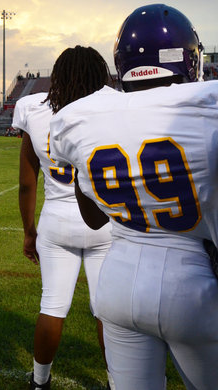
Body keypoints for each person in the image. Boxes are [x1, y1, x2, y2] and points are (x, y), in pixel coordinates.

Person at [49, 5, 218, 389]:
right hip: (193, 283)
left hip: (118, 282)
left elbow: (93, 217)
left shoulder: (83, 116)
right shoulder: (207, 107)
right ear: (188, 57)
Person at [13, 46, 115, 390]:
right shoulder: (112, 109)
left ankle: (40, 380)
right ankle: (118, 380)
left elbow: (28, 185)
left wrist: (29, 232)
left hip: (56, 220)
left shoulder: (35, 111)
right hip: (104, 222)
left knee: (53, 306)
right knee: (106, 311)